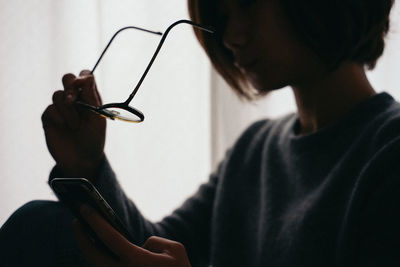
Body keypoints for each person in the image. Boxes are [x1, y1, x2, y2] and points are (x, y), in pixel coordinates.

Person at [0, 0, 399, 266]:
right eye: (222, 16)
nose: (230, 36)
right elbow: (157, 247)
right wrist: (88, 164)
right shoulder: (254, 151)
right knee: (41, 225)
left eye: (247, 5)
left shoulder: (388, 155)